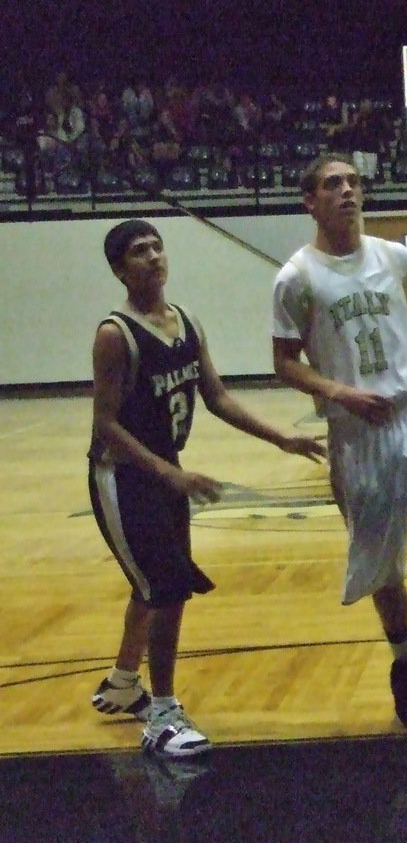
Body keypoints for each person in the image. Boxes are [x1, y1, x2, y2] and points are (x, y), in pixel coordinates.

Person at [89, 219, 326, 759]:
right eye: (137, 251)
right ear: (119, 269)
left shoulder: (185, 322)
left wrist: (281, 439)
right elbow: (106, 424)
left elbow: (216, 397)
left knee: (154, 579)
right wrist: (170, 474)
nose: (152, 256)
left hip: (165, 470)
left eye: (156, 246)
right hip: (122, 477)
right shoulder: (114, 334)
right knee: (166, 585)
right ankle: (164, 715)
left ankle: (125, 682)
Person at [271, 153, 407, 732]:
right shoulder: (296, 278)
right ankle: (404, 662)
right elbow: (284, 364)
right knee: (382, 563)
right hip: (357, 433)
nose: (347, 192)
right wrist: (340, 394)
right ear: (309, 202)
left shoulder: (395, 257)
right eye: (332, 184)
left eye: (353, 182)